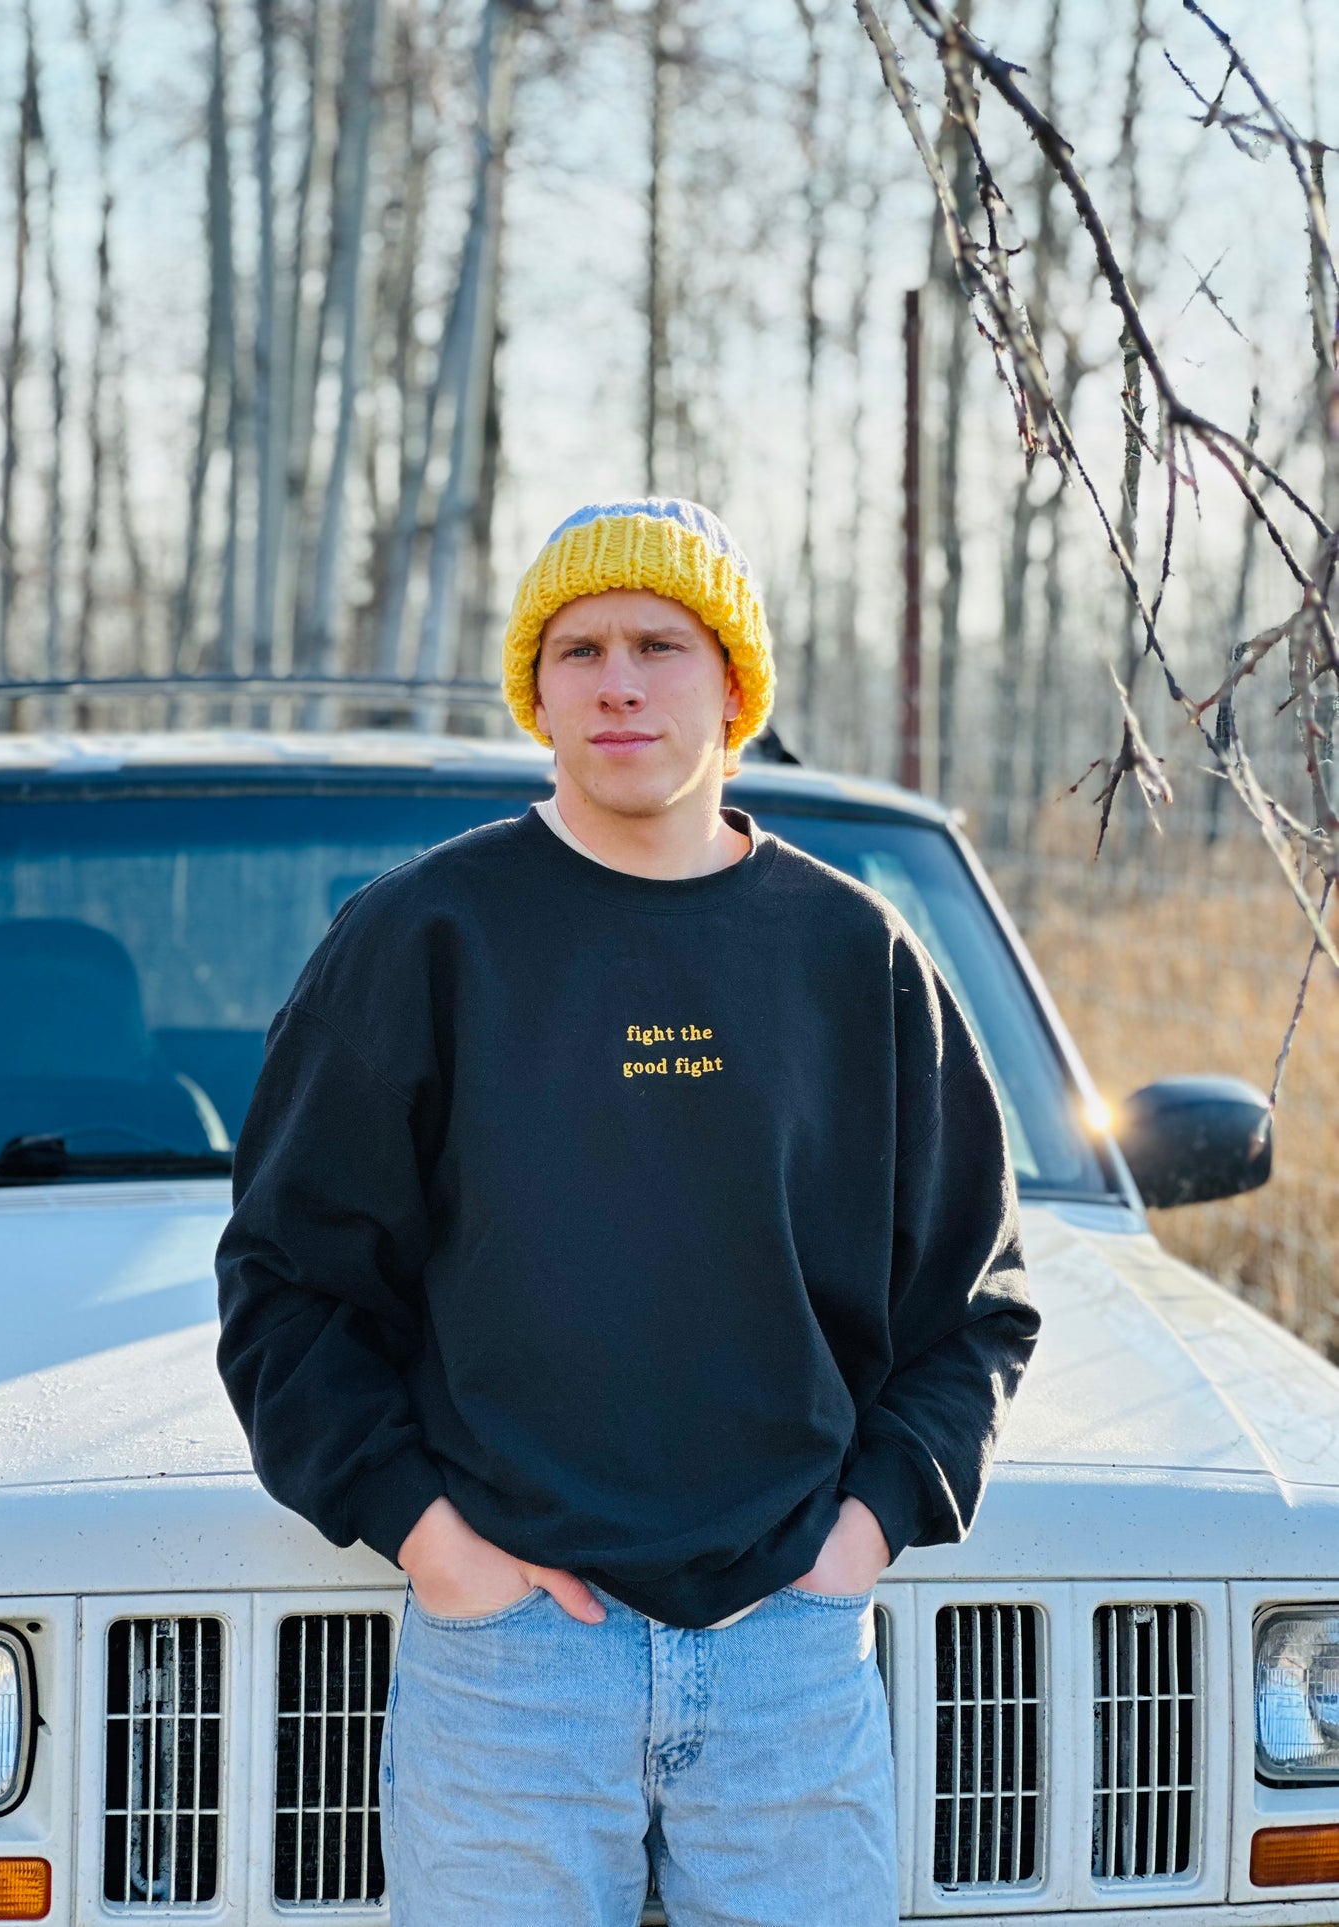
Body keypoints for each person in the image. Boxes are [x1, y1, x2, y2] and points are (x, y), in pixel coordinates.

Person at [214, 496, 1040, 1926]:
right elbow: (288, 1282)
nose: (616, 682)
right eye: (577, 647)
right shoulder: (424, 936)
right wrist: (431, 1542)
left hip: (788, 1652)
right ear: (534, 690)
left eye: (661, 643)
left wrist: (857, 1541)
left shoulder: (855, 953)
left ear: (733, 682)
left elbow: (973, 1304)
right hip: (512, 1671)